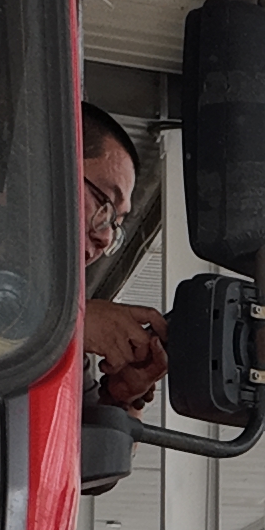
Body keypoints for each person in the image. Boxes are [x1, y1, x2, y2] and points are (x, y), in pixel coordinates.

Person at [78, 103, 166, 408]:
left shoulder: (70, 351)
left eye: (115, 223)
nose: (105, 238)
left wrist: (121, 398)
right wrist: (69, 322)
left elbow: (94, 441)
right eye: (103, 201)